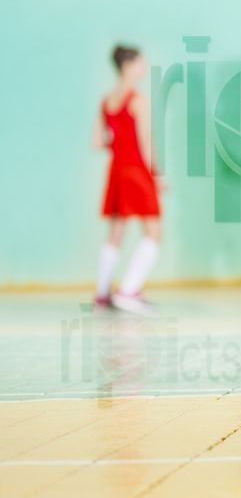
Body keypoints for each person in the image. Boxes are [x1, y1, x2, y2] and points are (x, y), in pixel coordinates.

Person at [93, 44, 163, 315]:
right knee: (154, 233)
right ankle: (129, 291)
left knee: (116, 232)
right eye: (140, 64)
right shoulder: (137, 100)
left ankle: (102, 294)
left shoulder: (107, 101)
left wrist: (118, 144)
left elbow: (98, 141)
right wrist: (157, 175)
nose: (143, 69)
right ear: (127, 66)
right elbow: (146, 142)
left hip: (117, 171)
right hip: (136, 171)